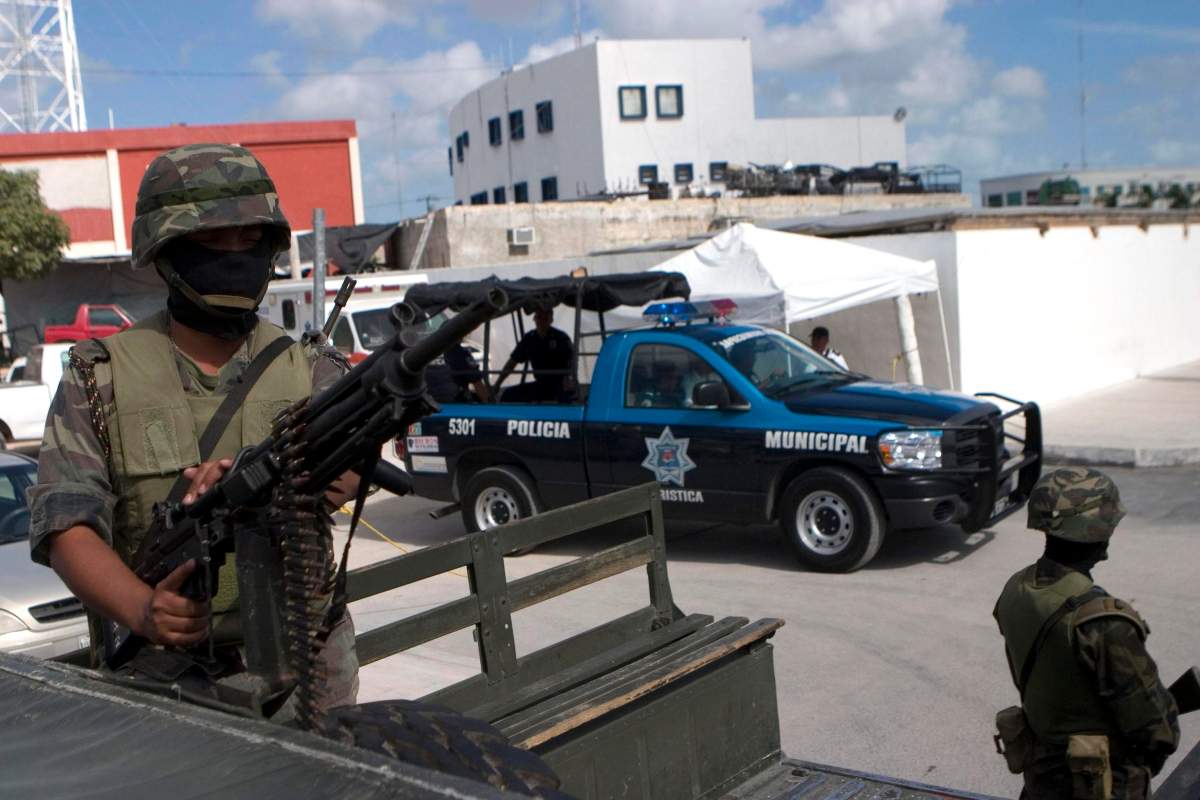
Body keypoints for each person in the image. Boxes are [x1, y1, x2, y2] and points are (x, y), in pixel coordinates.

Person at [27, 143, 360, 713]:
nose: (234, 254)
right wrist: (140, 608)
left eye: (249, 239)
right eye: (210, 241)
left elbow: (353, 465)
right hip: (159, 676)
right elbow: (65, 526)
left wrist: (312, 478)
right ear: (165, 252)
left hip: (307, 671)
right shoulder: (99, 377)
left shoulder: (308, 366)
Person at [993, 467, 1179, 800]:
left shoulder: (1016, 587)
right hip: (1097, 783)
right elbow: (1156, 731)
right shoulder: (1102, 621)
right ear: (1095, 530)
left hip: (1041, 773)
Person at [494, 306, 574, 402]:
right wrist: (498, 383)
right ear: (534, 319)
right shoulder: (529, 339)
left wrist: (569, 378)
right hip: (541, 385)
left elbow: (572, 361)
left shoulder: (561, 338)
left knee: (566, 402)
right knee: (508, 394)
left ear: (551, 320)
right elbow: (512, 362)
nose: (542, 321)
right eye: (539, 317)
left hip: (559, 384)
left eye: (545, 318)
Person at [426, 341, 490, 403]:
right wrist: (487, 404)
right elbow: (477, 383)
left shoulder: (423, 353)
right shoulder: (460, 353)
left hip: (427, 403)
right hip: (456, 404)